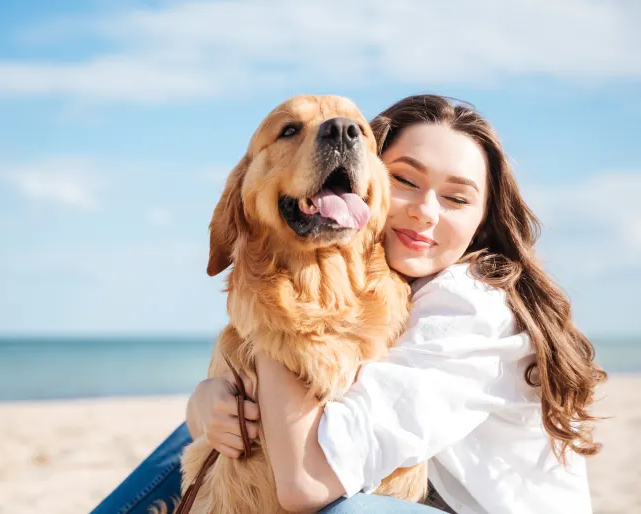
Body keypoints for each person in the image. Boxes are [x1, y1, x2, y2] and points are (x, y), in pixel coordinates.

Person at [90, 95, 605, 514]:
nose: (425, 212)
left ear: (483, 221)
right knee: (218, 421)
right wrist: (203, 408)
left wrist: (275, 307)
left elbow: (307, 481)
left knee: (347, 510)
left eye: (456, 198)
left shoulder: (467, 305)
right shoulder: (396, 288)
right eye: (405, 179)